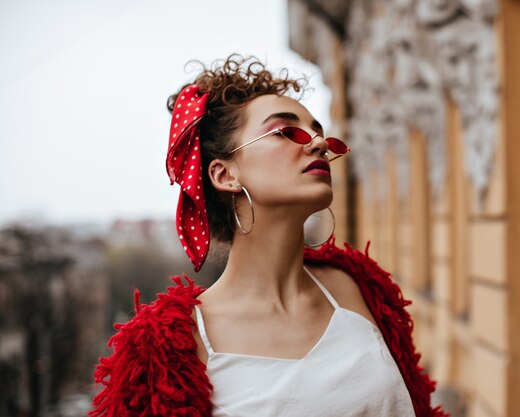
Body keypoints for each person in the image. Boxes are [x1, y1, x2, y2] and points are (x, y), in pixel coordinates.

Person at [90, 55, 446, 417]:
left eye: (319, 131)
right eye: (286, 132)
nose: (319, 143)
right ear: (224, 175)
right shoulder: (172, 347)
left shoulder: (359, 287)